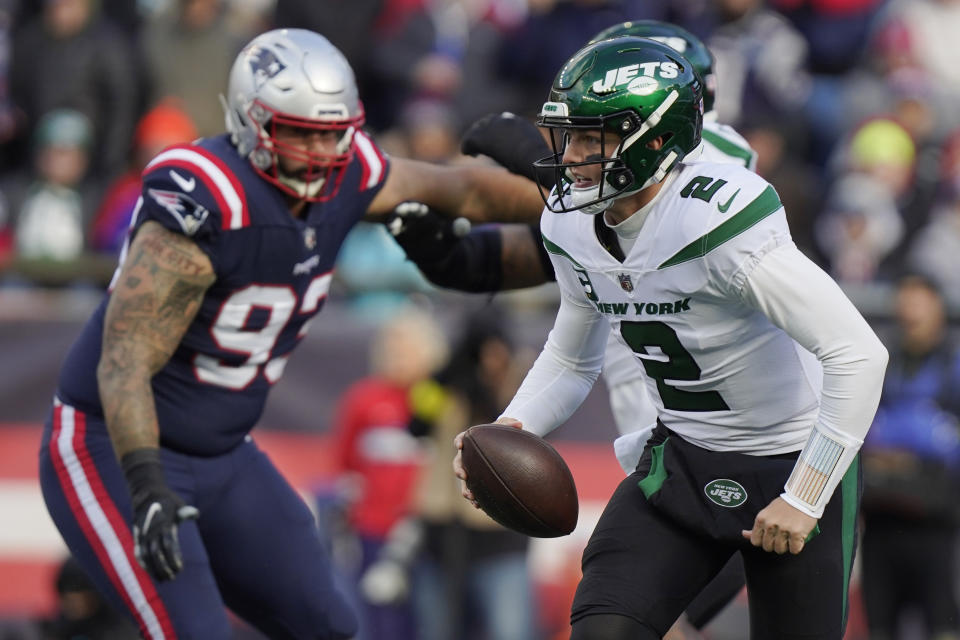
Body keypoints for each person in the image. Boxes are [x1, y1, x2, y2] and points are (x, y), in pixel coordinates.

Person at [37, 28, 543, 640]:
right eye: (300, 131)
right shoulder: (210, 198)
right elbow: (123, 362)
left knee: (328, 625)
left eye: (333, 132)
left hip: (223, 452)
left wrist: (570, 202)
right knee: (192, 632)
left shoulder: (352, 172)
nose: (320, 151)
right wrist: (145, 482)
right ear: (252, 123)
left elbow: (463, 190)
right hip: (113, 449)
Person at [452, 37, 888, 640]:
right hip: (680, 460)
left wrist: (808, 493)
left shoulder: (716, 219)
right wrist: (512, 427)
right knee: (603, 629)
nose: (571, 157)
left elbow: (859, 353)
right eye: (569, 136)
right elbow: (572, 356)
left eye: (592, 139)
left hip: (790, 462)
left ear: (655, 142)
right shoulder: (571, 223)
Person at [388, 21, 756, 636]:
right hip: (663, 459)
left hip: (746, 458)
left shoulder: (713, 179)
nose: (577, 151)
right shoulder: (599, 215)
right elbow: (542, 260)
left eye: (598, 129)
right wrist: (453, 258)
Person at [859, 273, 960, 640]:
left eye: (919, 299)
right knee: (880, 626)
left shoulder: (952, 365)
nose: (909, 309)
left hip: (936, 528)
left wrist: (915, 439)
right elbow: (863, 432)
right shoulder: (883, 363)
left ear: (937, 307)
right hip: (882, 521)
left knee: (941, 625)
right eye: (904, 300)